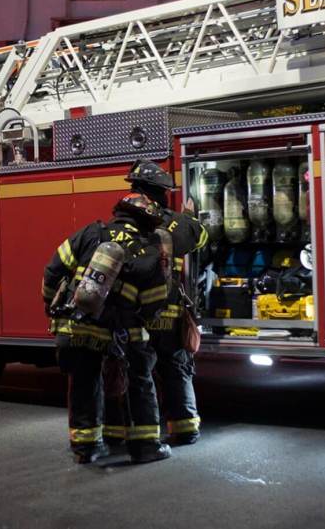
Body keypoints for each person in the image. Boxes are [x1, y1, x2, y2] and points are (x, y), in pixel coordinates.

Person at [42, 193, 172, 464]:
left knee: (84, 383)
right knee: (140, 379)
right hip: (122, 331)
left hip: (77, 324)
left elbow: (54, 268)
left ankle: (86, 448)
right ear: (147, 221)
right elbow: (154, 301)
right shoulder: (148, 248)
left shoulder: (92, 232)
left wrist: (50, 304)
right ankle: (146, 446)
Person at [108, 160, 208, 446]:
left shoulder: (125, 224)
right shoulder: (175, 223)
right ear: (161, 192)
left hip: (137, 315)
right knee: (176, 368)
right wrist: (189, 217)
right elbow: (201, 236)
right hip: (170, 312)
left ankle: (131, 432)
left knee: (138, 373)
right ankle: (185, 428)